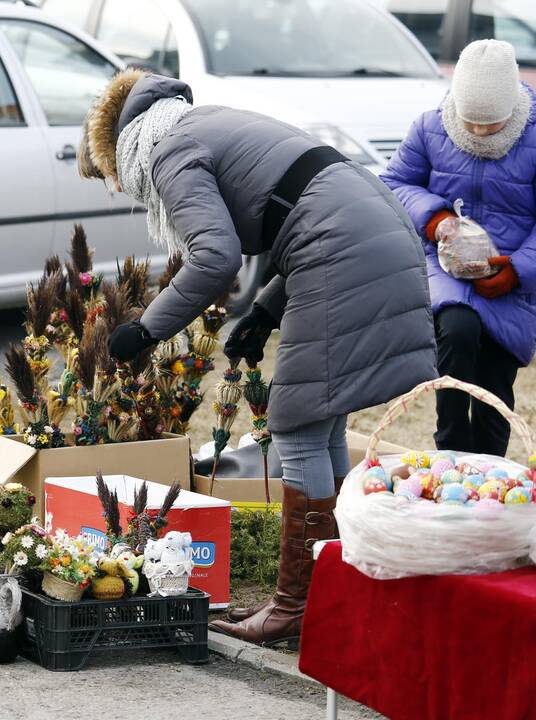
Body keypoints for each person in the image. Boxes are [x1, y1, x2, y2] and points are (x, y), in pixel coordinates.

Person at [80, 70, 437, 647]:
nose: (122, 190)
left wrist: (145, 329)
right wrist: (266, 311)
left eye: (112, 180)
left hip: (342, 250)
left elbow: (215, 257)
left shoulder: (168, 152)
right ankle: (343, 592)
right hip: (378, 230)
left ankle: (298, 604)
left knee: (296, 426)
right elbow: (297, 200)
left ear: (121, 153)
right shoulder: (203, 125)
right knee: (320, 427)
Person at [381, 39, 536, 456]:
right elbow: (394, 183)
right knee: (457, 331)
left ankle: (490, 468)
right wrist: (433, 219)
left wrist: (519, 270)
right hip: (445, 268)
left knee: (496, 373)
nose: (481, 132)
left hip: (511, 274)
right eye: (471, 123)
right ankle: (449, 446)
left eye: (492, 124)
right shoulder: (429, 127)